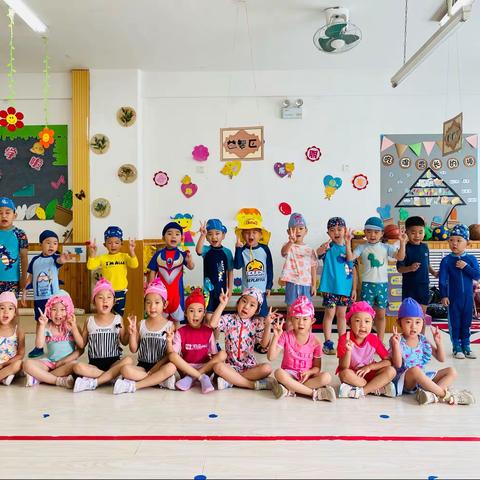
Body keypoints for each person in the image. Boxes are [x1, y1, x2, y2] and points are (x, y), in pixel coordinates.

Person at [390, 297, 474, 405]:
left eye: (417, 322)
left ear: (423, 322)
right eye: (408, 322)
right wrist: (396, 345)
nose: (413, 326)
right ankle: (445, 395)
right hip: (406, 381)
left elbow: (441, 358)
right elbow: (397, 364)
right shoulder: (398, 340)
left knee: (451, 371)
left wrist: (438, 343)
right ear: (399, 323)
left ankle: (432, 395)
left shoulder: (422, 340)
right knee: (415, 370)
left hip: (422, 379)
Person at [209, 287, 281, 392]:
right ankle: (251, 384)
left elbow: (264, 344)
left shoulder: (256, 323)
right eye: (244, 301)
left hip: (249, 367)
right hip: (230, 366)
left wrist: (268, 325)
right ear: (238, 302)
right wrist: (222, 304)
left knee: (267, 368)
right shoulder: (229, 319)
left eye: (252, 305)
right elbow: (212, 324)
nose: (246, 306)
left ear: (257, 310)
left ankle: (231, 380)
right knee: (218, 367)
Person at [113, 278, 177, 394]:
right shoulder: (141, 324)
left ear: (165, 304)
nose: (152, 307)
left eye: (157, 303)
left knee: (171, 367)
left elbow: (170, 354)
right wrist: (132, 333)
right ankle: (157, 381)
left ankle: (136, 385)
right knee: (125, 369)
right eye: (148, 302)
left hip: (160, 366)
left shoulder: (170, 325)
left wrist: (168, 342)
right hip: (142, 367)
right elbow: (133, 349)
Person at [267, 296, 336, 401]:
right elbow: (271, 357)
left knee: (326, 377)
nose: (301, 323)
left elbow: (317, 368)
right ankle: (313, 393)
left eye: (305, 319)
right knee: (278, 373)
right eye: (297, 318)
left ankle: (291, 389)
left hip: (306, 378)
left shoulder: (316, 342)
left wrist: (309, 373)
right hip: (289, 376)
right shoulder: (285, 336)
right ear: (291, 319)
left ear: (312, 321)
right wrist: (276, 336)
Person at [351, 216, 407, 342]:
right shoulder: (361, 247)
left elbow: (401, 257)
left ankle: (379, 342)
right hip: (367, 285)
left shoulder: (386, 247)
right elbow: (350, 258)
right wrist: (347, 242)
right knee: (366, 316)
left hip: (382, 285)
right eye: (369, 231)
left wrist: (402, 243)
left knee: (381, 315)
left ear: (382, 234)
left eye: (376, 232)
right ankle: (365, 341)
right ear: (365, 233)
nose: (372, 235)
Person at [73, 278, 132, 392]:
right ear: (94, 301)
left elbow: (124, 341)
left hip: (114, 363)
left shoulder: (118, 319)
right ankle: (110, 377)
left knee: (128, 360)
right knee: (77, 367)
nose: (105, 301)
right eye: (100, 297)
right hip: (95, 366)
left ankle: (96, 381)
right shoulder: (89, 320)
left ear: (114, 302)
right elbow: (81, 344)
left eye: (109, 297)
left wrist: (130, 331)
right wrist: (74, 327)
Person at [24, 230, 73, 358]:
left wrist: (63, 258)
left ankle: (63, 342)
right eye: (48, 243)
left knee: (58, 320)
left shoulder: (54, 258)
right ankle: (38, 346)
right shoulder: (35, 260)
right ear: (41, 244)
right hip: (39, 298)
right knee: (40, 322)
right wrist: (24, 291)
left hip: (53, 299)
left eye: (55, 243)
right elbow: (30, 276)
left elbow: (60, 261)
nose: (52, 246)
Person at [167, 288, 227, 393]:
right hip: (186, 369)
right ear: (185, 313)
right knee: (172, 356)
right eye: (191, 311)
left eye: (199, 311)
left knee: (222, 354)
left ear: (204, 313)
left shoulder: (208, 332)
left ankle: (192, 378)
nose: (195, 315)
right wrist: (169, 340)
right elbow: (173, 354)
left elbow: (214, 355)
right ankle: (200, 377)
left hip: (205, 368)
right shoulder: (180, 332)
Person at [22, 292, 83, 389]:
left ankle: (40, 377)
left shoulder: (72, 326)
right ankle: (57, 380)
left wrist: (74, 328)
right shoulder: (47, 326)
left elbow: (81, 347)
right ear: (49, 310)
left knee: (76, 366)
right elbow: (39, 346)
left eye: (63, 309)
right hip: (50, 363)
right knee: (26, 364)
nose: (58, 313)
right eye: (54, 309)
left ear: (69, 310)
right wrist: (41, 326)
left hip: (67, 363)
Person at [337, 301, 396, 399]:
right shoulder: (344, 339)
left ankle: (362, 391)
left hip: (370, 373)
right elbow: (343, 367)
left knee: (391, 371)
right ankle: (375, 387)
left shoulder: (374, 339)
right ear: (349, 324)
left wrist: (370, 367)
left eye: (367, 321)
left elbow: (388, 361)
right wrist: (348, 351)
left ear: (372, 324)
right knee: (344, 374)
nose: (362, 325)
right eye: (357, 321)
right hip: (354, 376)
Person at [233, 208, 273, 353]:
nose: (251, 235)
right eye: (248, 232)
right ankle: (246, 340)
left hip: (261, 290)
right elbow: (237, 265)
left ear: (260, 234)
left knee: (262, 317)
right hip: (247, 291)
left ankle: (260, 342)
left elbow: (269, 267)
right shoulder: (242, 250)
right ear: (243, 235)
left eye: (254, 232)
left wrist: (269, 285)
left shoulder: (264, 249)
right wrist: (237, 249)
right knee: (247, 316)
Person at [439, 224, 480, 359]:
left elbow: (477, 275)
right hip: (453, 298)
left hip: (468, 299)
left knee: (466, 322)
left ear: (467, 243)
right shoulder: (446, 261)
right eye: (451, 240)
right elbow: (443, 280)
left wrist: (466, 267)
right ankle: (456, 346)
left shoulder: (471, 259)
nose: (454, 243)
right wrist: (444, 295)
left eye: (458, 240)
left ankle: (466, 346)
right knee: (455, 322)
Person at [317, 217, 357, 355]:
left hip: (344, 289)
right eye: (332, 230)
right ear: (328, 233)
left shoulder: (349, 248)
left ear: (345, 230)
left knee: (342, 315)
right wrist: (322, 249)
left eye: (339, 229)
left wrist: (354, 289)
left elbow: (352, 265)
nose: (336, 232)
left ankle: (342, 342)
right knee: (329, 314)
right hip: (330, 288)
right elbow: (317, 254)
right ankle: (328, 343)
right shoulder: (328, 248)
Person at [147, 222, 194, 325]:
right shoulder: (158, 255)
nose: (173, 236)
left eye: (177, 234)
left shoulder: (182, 254)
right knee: (160, 320)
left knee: (176, 321)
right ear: (163, 237)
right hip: (161, 294)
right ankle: (163, 339)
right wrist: (151, 289)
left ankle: (176, 340)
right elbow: (152, 271)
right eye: (169, 233)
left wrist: (190, 260)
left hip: (177, 294)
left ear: (181, 238)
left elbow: (191, 267)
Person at [87, 226, 138, 317]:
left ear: (121, 243)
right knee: (106, 314)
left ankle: (118, 331)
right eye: (109, 243)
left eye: (117, 242)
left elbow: (134, 265)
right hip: (106, 292)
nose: (113, 245)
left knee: (119, 315)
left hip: (120, 291)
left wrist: (132, 251)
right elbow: (90, 266)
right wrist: (92, 254)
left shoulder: (124, 256)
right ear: (105, 244)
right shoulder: (103, 257)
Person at [396, 216, 437, 311]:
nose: (417, 236)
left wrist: (433, 272)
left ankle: (422, 327)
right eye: (413, 233)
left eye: (420, 232)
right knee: (408, 314)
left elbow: (427, 264)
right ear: (406, 233)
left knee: (422, 315)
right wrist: (410, 268)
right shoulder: (404, 248)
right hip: (409, 287)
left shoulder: (425, 247)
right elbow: (399, 269)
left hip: (423, 286)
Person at [195, 219, 233, 319]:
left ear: (223, 235)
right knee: (208, 315)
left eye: (217, 233)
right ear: (207, 237)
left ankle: (215, 335)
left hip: (222, 290)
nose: (214, 237)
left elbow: (230, 271)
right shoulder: (206, 250)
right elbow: (198, 250)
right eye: (210, 234)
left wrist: (230, 289)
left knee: (217, 317)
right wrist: (202, 235)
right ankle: (208, 334)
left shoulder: (227, 252)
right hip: (208, 290)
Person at [279, 213, 317, 311]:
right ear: (288, 231)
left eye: (300, 228)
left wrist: (313, 285)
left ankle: (306, 327)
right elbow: (283, 253)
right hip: (292, 283)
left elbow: (313, 267)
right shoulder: (288, 246)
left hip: (306, 284)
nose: (297, 231)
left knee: (306, 311)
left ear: (306, 231)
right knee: (291, 310)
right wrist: (290, 242)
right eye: (294, 228)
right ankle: (290, 327)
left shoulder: (310, 249)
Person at [0, 197, 28, 295]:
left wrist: (23, 279)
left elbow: (24, 259)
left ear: (14, 215)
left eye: (7, 212)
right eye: (0, 213)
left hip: (12, 281)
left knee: (11, 308)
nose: (4, 216)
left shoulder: (20, 234)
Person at [0, 291, 25, 385]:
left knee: (19, 364)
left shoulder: (18, 331)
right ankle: (4, 377)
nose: (6, 311)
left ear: (15, 313)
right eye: (2, 308)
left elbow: (20, 355)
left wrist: (3, 365)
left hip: (10, 364)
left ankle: (5, 375)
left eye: (10, 308)